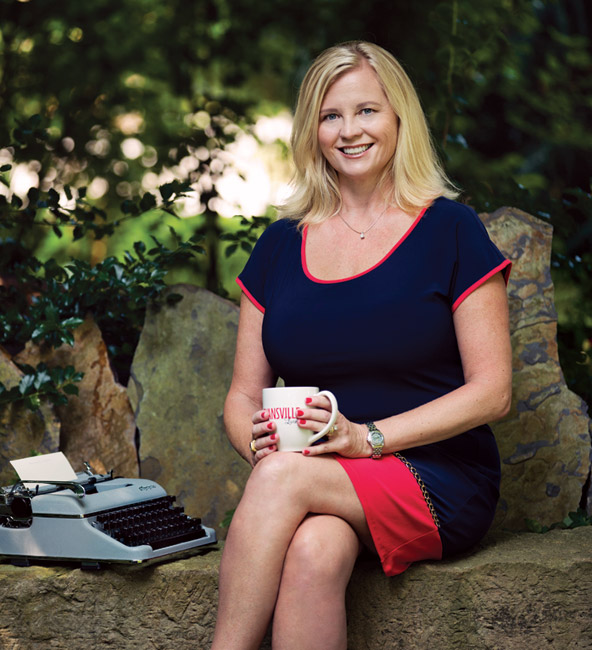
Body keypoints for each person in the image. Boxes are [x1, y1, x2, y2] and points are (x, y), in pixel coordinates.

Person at [211, 41, 512, 650]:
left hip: (436, 474)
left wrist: (365, 438)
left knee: (282, 479)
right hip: (321, 473)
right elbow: (242, 395)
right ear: (312, 131)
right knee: (314, 550)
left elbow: (493, 393)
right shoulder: (278, 244)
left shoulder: (451, 229)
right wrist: (256, 441)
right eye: (331, 116)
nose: (349, 131)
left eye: (367, 110)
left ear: (399, 117)